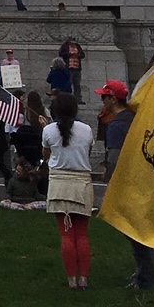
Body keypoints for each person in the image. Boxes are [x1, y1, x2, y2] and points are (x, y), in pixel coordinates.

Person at [42, 91, 94, 291]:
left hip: (58, 183)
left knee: (66, 234)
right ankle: (84, 280)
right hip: (82, 183)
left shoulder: (47, 130)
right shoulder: (86, 130)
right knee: (81, 235)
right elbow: (86, 153)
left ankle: (71, 280)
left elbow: (46, 155)